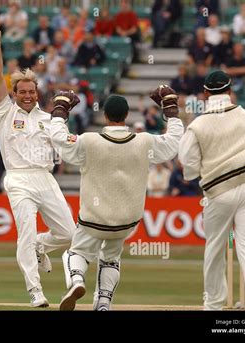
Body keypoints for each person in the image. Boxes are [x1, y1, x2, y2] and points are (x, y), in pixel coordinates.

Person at [49, 87, 183, 311]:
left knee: (77, 252)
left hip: (93, 220)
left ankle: (77, 279)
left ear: (105, 116)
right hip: (126, 222)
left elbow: (58, 138)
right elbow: (174, 141)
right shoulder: (144, 142)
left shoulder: (89, 141)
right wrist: (170, 109)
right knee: (110, 258)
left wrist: (61, 110)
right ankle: (103, 302)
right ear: (127, 116)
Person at [0, 16, 75, 307]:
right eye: (22, 92)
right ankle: (35, 290)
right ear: (15, 94)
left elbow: (66, 143)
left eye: (31, 91)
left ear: (37, 93)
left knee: (69, 233)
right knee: (24, 232)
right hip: (18, 179)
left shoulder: (49, 119)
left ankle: (41, 245)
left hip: (45, 178)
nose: (27, 95)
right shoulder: (4, 112)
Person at [178, 70, 245, 310]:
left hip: (219, 192)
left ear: (205, 93)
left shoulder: (198, 125)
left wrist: (200, 169)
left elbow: (189, 164)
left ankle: (214, 305)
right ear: (230, 91)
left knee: (216, 248)